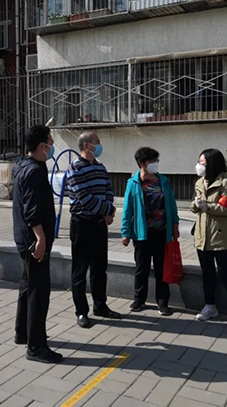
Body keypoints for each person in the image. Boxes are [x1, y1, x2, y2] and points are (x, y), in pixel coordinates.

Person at [12, 125, 63, 364]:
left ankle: (23, 332)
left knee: (27, 286)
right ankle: (36, 346)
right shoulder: (33, 171)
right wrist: (41, 239)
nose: (52, 147)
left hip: (25, 238)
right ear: (42, 146)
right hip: (34, 241)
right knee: (38, 293)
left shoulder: (26, 165)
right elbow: (31, 210)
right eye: (50, 142)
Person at [66, 132, 121, 329]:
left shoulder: (100, 167)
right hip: (82, 223)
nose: (100, 145)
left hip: (99, 224)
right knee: (80, 270)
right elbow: (84, 198)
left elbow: (108, 190)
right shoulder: (74, 168)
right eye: (97, 142)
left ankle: (100, 305)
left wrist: (109, 209)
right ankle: (81, 311)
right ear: (86, 145)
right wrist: (107, 210)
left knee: (99, 268)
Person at [121, 147, 180, 316]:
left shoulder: (163, 181)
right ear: (141, 163)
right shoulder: (133, 183)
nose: (155, 164)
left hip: (162, 232)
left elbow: (172, 205)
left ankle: (163, 302)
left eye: (156, 160)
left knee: (161, 269)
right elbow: (127, 209)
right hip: (142, 234)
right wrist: (125, 232)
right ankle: (139, 299)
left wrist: (175, 224)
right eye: (151, 161)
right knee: (142, 268)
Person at [191, 149, 227, 328]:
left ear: (212, 164)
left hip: (221, 238)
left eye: (202, 163)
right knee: (207, 275)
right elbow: (194, 205)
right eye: (199, 162)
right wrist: (196, 205)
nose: (199, 166)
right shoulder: (199, 182)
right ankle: (210, 306)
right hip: (202, 238)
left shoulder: (226, 182)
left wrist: (207, 206)